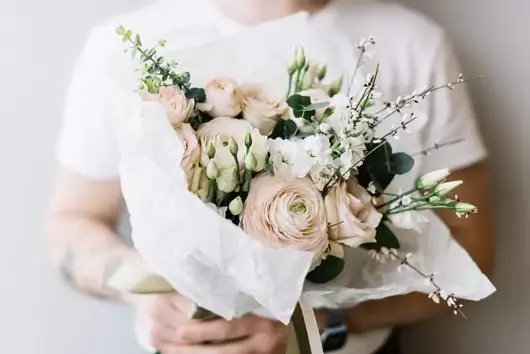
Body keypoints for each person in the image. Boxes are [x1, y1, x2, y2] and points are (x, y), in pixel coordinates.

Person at [44, 0, 495, 353]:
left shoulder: (411, 43)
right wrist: (144, 290)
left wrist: (320, 325)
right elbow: (72, 222)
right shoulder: (123, 45)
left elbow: (470, 249)